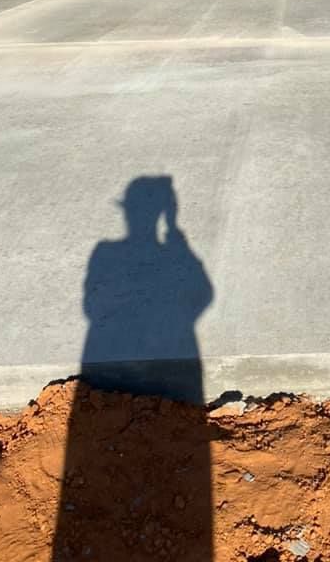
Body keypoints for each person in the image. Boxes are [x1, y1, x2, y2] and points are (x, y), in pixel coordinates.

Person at [52, 178, 215, 560]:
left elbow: (89, 306)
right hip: (180, 346)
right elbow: (204, 295)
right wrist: (177, 240)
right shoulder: (157, 252)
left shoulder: (104, 254)